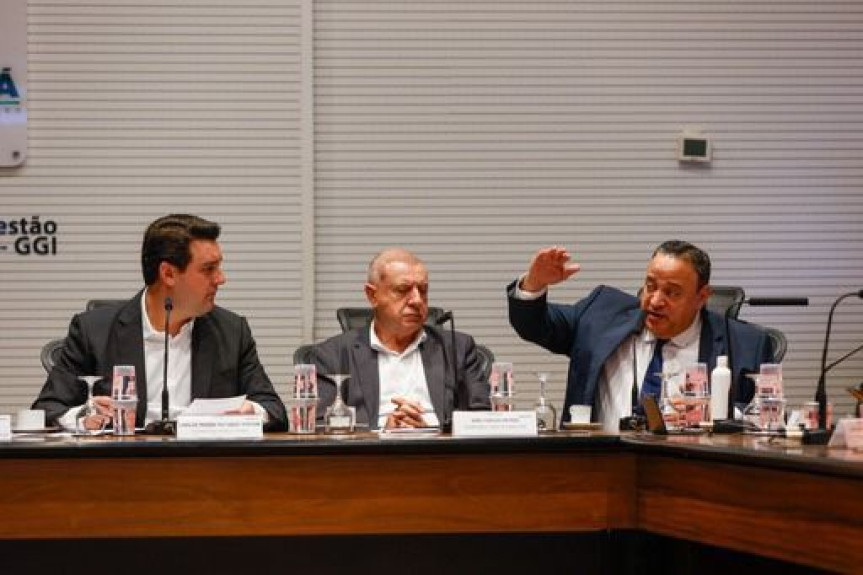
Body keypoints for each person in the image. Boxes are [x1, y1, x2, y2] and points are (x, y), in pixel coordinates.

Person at [33, 214, 288, 431]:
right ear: (168, 273)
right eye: (208, 269)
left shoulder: (232, 331)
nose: (221, 279)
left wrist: (250, 411)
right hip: (122, 465)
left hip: (206, 465)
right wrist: (83, 415)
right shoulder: (93, 331)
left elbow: (274, 409)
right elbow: (47, 409)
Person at [508, 241, 774, 431]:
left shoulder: (746, 344)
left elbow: (765, 424)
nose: (655, 301)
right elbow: (533, 325)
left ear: (702, 297)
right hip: (599, 470)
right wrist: (534, 284)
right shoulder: (601, 315)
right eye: (650, 286)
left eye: (672, 292)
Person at [313, 248, 490, 430]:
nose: (417, 300)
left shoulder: (458, 348)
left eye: (423, 290)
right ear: (372, 295)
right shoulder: (332, 355)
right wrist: (383, 434)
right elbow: (319, 427)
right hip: (370, 447)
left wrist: (430, 431)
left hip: (438, 446)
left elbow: (482, 419)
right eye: (402, 290)